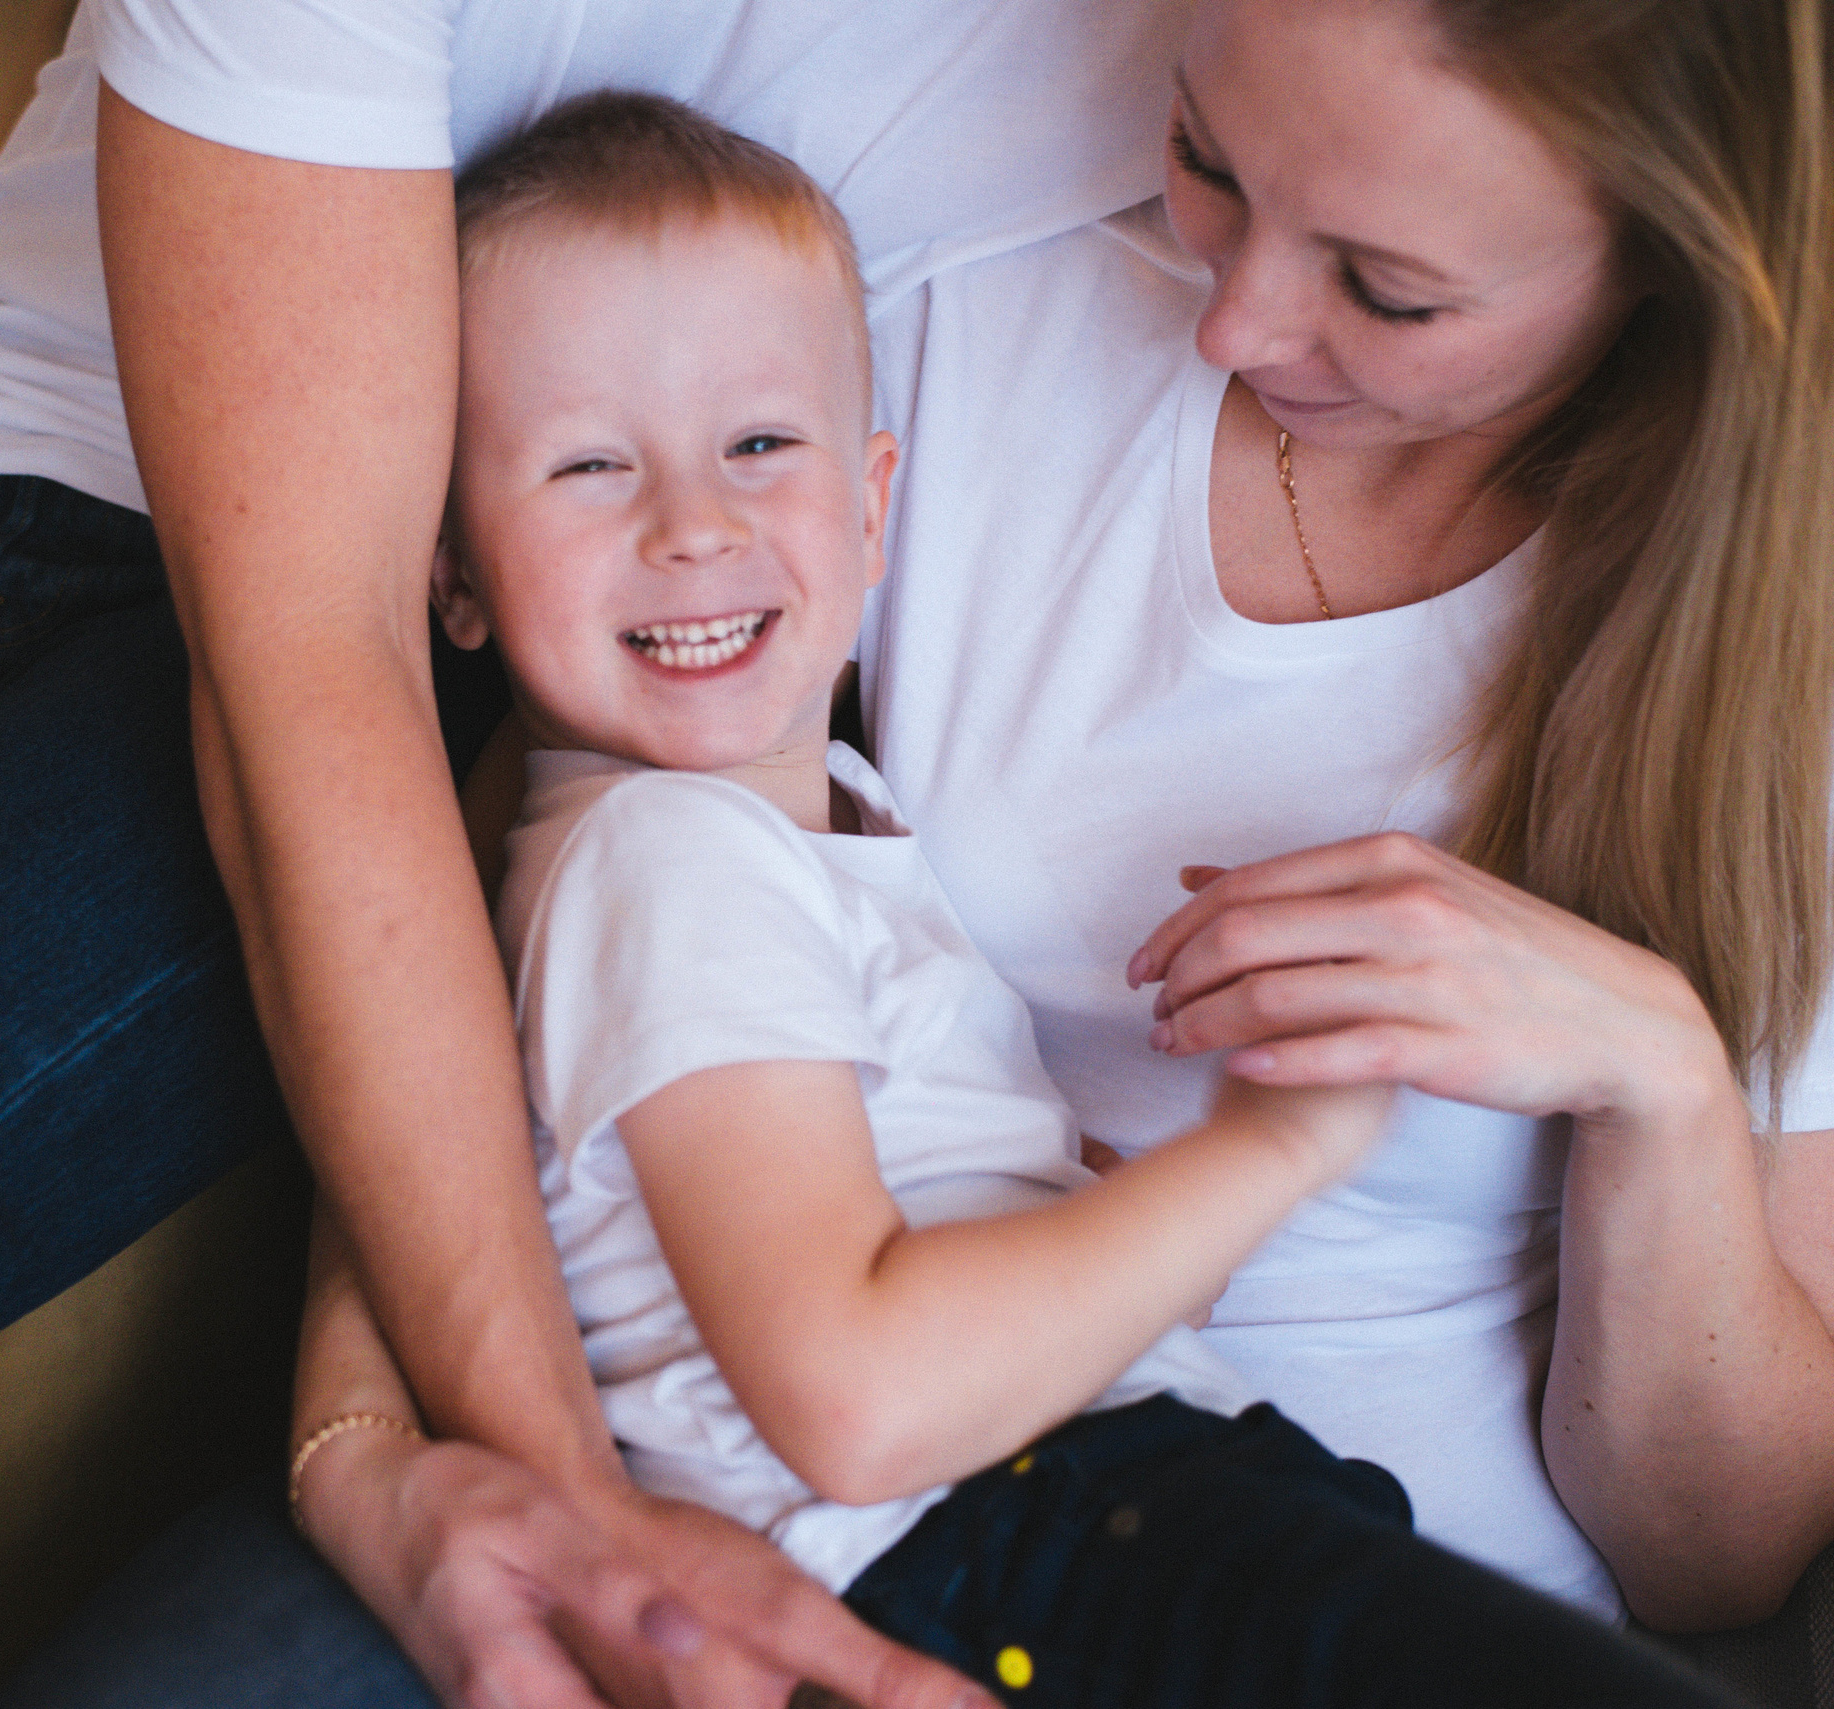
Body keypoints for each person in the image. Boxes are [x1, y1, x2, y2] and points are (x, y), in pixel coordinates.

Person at [2, 1, 1834, 1705]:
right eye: (1205, 155)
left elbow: (1724, 1560)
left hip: (1279, 1537)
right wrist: (370, 1442)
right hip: (748, 1488)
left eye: (1386, 286)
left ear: (1686, 258)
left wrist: (1656, 1088)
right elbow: (508, 906)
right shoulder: (898, 336)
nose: (1232, 315)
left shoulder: (1819, 670)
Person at [307, 88, 1736, 1707]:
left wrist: (1084, 1222)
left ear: (871, 506)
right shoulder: (670, 859)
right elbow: (855, 1393)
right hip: (1003, 1539)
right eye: (585, 464)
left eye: (760, 444)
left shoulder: (825, 833)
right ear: (457, 575)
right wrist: (1262, 1154)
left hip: (1074, 1510)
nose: (692, 523)